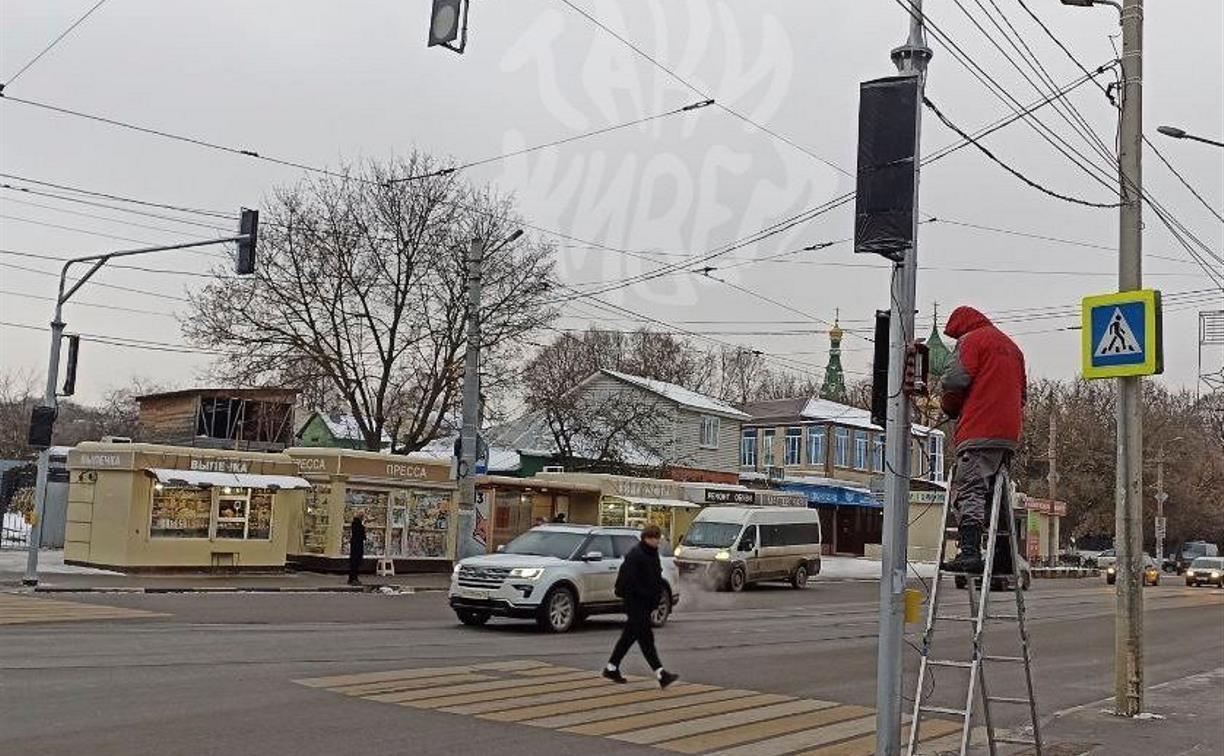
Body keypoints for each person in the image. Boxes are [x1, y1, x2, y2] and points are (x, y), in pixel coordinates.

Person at [939, 306, 1027, 574]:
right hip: (1008, 434)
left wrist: (950, 408)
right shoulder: (1013, 348)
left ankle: (969, 553)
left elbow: (955, 381)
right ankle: (1002, 557)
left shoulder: (971, 340)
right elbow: (1022, 395)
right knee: (996, 494)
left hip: (978, 430)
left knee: (971, 489)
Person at [603, 524, 679, 688]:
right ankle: (660, 673)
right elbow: (627, 582)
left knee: (628, 637)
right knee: (646, 639)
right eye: (653, 538)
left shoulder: (652, 554)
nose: (657, 541)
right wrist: (644, 595)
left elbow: (656, 578)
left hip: (645, 604)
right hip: (635, 603)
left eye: (658, 538)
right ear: (646, 538)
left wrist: (655, 598)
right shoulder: (636, 555)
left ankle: (611, 667)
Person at [348, 510, 366, 586]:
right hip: (357, 545)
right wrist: (364, 530)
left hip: (354, 545)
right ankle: (354, 578)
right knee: (356, 562)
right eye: (363, 517)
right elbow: (361, 535)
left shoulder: (354, 523)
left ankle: (351, 578)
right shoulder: (358, 525)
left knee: (353, 562)